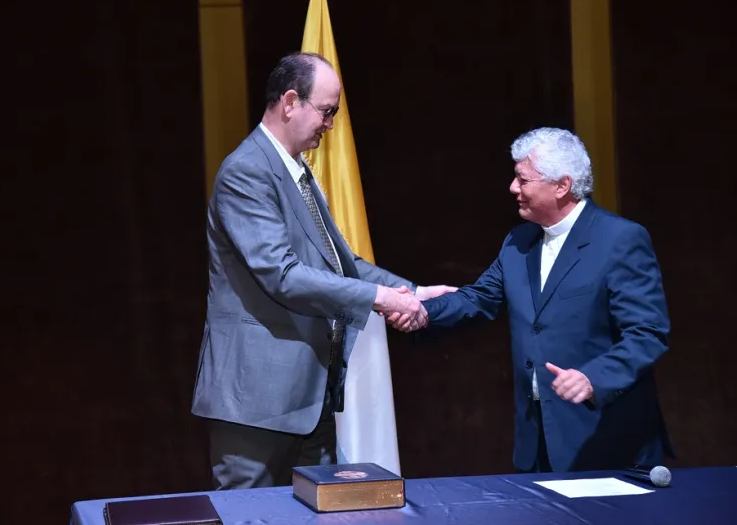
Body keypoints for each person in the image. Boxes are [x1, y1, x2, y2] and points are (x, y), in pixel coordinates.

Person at [191, 51, 454, 489]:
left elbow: (341, 264)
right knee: (249, 516)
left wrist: (411, 291)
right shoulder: (246, 172)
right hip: (256, 402)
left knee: (322, 513)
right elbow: (282, 275)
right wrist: (381, 299)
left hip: (311, 399)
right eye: (327, 111)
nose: (330, 124)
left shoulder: (300, 172)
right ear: (290, 102)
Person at [410, 127, 673, 473]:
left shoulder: (620, 239)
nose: (513, 188)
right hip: (537, 441)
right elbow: (479, 298)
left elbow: (647, 332)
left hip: (605, 439)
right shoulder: (519, 241)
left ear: (562, 186)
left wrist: (593, 377)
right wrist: (417, 310)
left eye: (523, 179)